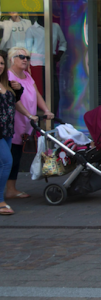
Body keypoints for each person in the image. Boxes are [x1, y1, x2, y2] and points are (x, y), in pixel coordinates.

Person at [5, 46, 53, 202]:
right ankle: (9, 190)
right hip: (14, 121)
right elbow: (15, 100)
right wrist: (28, 114)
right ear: (12, 59)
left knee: (16, 155)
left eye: (27, 57)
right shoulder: (8, 76)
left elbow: (36, 94)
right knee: (12, 156)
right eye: (21, 56)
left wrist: (46, 110)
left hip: (27, 122)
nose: (25, 60)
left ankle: (11, 188)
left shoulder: (26, 75)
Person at [0, 51, 24, 215]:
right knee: (7, 162)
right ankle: (0, 200)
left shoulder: (7, 84)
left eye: (1, 63)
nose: (0, 66)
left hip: (8, 130)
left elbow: (13, 102)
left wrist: (19, 89)